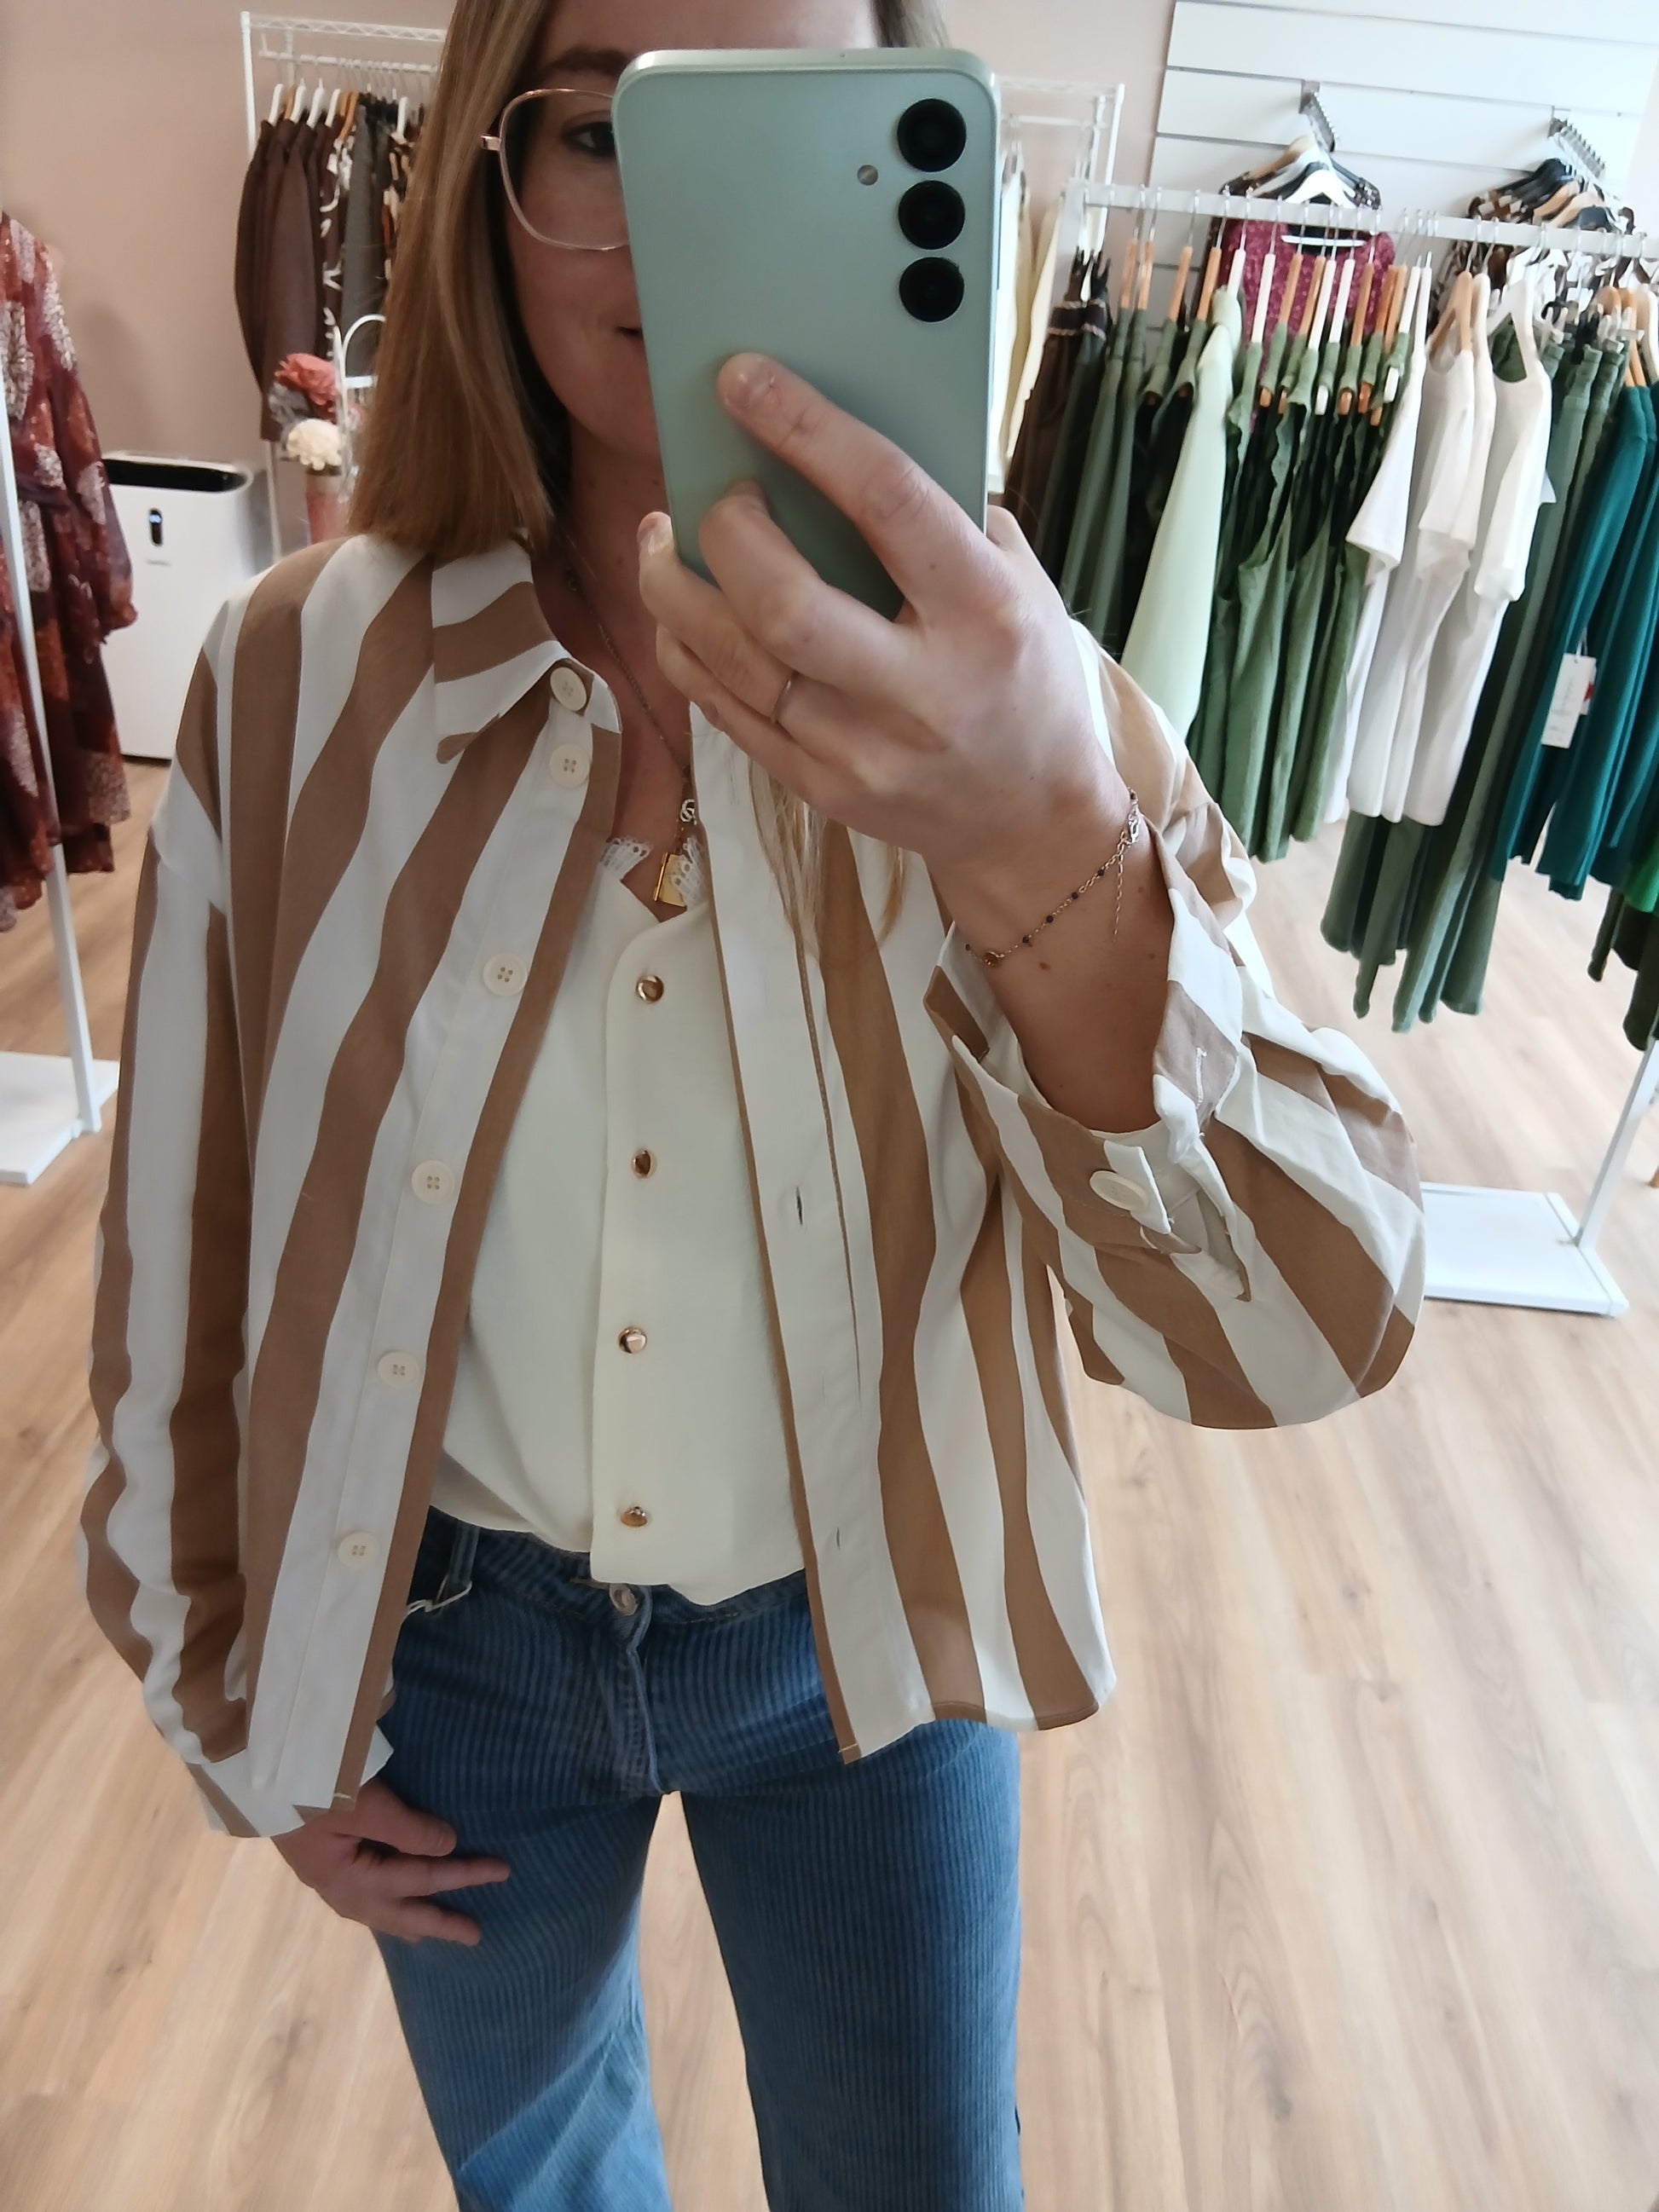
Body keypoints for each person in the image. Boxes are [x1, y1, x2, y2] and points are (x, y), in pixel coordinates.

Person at [80, 2, 1428, 2206]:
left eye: (786, 130)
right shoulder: (297, 669)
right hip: (447, 1644)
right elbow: (186, 1223)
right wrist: (229, 1690)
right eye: (609, 129)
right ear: (490, 184)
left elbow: (1301, 1330)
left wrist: (1041, 843)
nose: (684, 223)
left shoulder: (1033, 713)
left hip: (865, 1634)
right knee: (537, 2166)